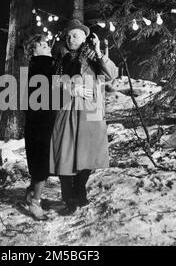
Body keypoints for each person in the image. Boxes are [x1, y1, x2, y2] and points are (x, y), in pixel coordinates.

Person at [49, 19, 118, 214]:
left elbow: (111, 74)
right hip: (67, 110)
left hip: (90, 112)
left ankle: (79, 190)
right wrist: (72, 88)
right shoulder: (61, 58)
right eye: (69, 36)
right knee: (64, 154)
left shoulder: (93, 57)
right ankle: (69, 199)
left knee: (89, 154)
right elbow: (52, 83)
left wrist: (98, 51)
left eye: (75, 35)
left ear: (84, 37)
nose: (71, 39)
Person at [23, 34, 56, 220]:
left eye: (46, 44)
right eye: (42, 45)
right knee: (41, 163)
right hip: (41, 123)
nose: (47, 47)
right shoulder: (42, 65)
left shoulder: (38, 66)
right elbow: (58, 87)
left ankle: (31, 194)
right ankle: (35, 202)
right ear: (33, 51)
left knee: (39, 161)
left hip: (38, 122)